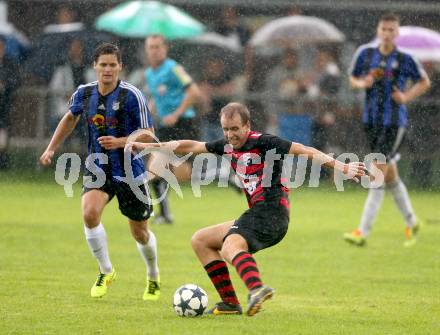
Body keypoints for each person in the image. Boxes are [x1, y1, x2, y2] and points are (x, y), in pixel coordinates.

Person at [128, 102, 366, 316]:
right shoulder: (227, 145)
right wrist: (152, 147)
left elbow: (304, 150)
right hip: (257, 214)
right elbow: (191, 145)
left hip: (272, 214)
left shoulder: (264, 142)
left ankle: (256, 289)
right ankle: (230, 304)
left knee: (232, 245)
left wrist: (341, 167)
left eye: (235, 129)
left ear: (247, 125)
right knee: (201, 240)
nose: (230, 135)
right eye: (226, 129)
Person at [40, 43, 161, 300]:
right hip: (99, 168)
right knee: (89, 213)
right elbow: (70, 118)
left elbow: (149, 137)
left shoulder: (132, 96)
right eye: (103, 64)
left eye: (112, 65)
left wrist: (120, 142)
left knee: (140, 232)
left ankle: (152, 274)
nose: (107, 69)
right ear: (94, 66)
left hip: (131, 170)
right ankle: (106, 270)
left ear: (120, 67)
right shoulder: (84, 94)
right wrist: (51, 148)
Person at [344, 13, 431, 247]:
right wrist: (363, 83)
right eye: (384, 29)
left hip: (394, 123)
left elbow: (424, 82)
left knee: (377, 172)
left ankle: (362, 231)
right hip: (370, 121)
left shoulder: (405, 59)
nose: (387, 33)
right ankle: (412, 222)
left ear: (397, 33)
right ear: (378, 30)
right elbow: (352, 78)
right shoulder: (366, 53)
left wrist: (406, 96)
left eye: (392, 30)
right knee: (389, 175)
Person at [144, 34, 200, 224]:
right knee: (154, 171)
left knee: (183, 173)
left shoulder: (173, 68)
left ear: (165, 48)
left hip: (183, 123)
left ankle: (221, 174)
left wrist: (176, 113)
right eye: (151, 47)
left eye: (158, 46)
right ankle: (165, 215)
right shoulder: (149, 74)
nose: (154, 50)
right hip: (165, 127)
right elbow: (156, 99)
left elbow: (194, 92)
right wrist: (146, 115)